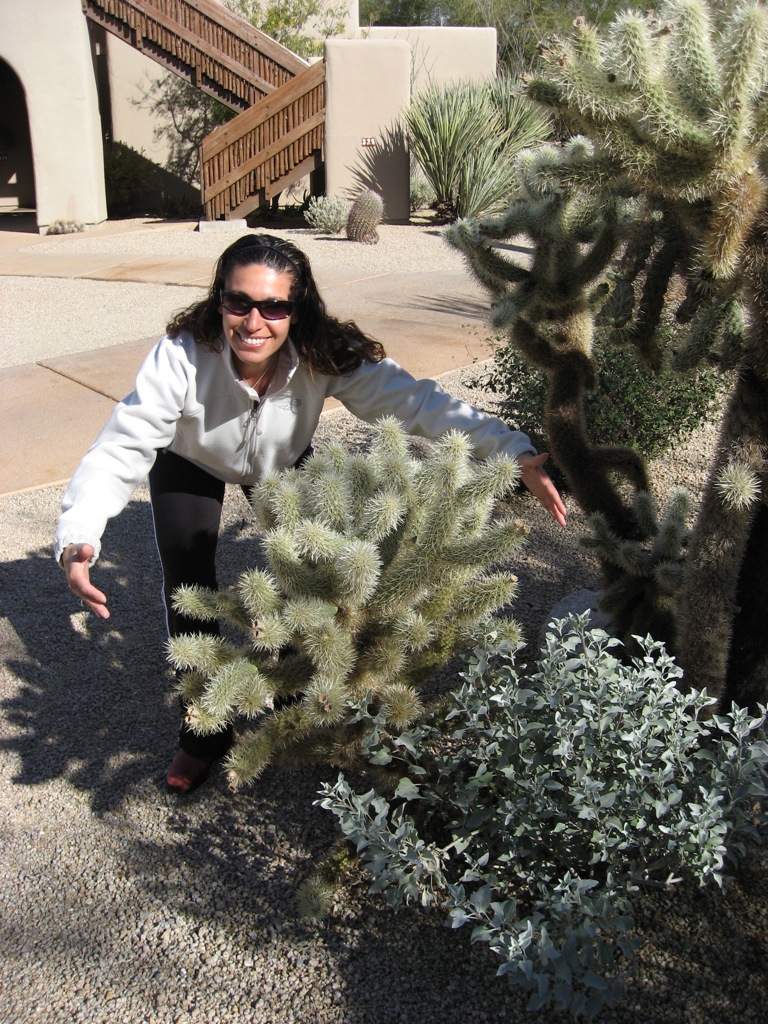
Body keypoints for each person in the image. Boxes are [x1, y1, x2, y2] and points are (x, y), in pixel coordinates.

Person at [55, 233, 566, 794]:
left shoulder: (326, 352)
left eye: (274, 306)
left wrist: (511, 450)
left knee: (312, 574)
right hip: (189, 459)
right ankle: (202, 732)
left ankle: (302, 689)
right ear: (218, 300)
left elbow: (419, 403)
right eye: (239, 302)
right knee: (190, 577)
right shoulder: (183, 352)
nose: (254, 321)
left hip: (282, 465)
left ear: (298, 310)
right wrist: (80, 532)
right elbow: (124, 442)